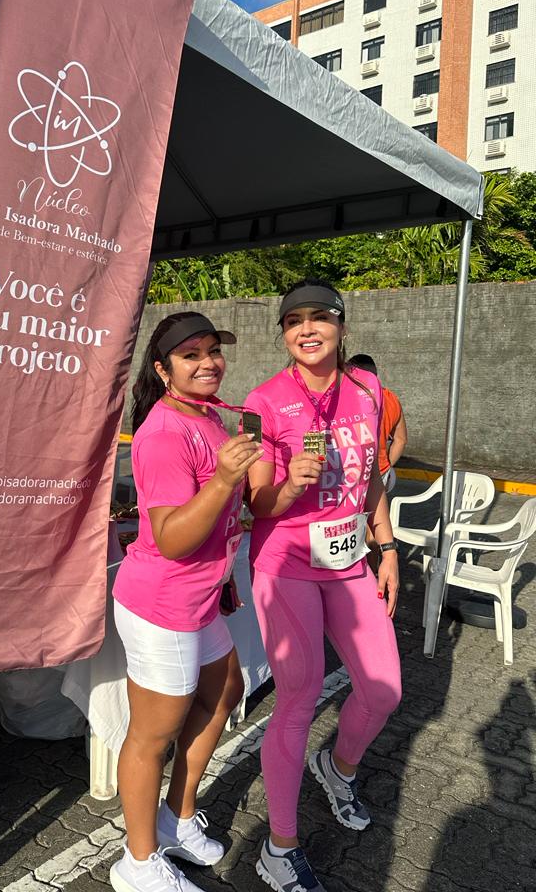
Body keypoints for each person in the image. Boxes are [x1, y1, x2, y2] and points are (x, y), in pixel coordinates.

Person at [244, 279, 402, 892]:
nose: (306, 330)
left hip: (349, 561)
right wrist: (289, 486)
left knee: (383, 689)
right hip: (286, 563)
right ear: (283, 334)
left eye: (319, 318)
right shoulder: (265, 400)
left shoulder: (367, 389)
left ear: (341, 326)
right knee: (300, 698)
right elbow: (259, 504)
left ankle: (336, 769)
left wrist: (385, 547)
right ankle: (279, 848)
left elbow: (371, 482)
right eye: (292, 322)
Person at [110, 311, 264, 892]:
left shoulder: (209, 418)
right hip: (162, 603)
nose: (207, 363)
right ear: (163, 368)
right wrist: (223, 481)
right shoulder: (164, 432)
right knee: (152, 735)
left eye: (212, 351)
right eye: (191, 355)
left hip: (201, 597)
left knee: (226, 689)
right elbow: (172, 537)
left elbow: (232, 513)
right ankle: (138, 862)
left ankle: (175, 819)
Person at [347, 353, 407, 494]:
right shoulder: (390, 398)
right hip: (381, 471)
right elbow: (401, 440)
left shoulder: (347, 398)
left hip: (352, 474)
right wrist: (386, 465)